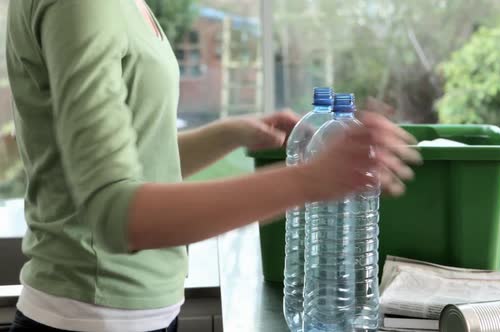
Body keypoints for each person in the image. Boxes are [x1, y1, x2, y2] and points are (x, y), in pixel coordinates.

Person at [5, 0, 421, 331]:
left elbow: (140, 163)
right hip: (91, 316)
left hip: (136, 311)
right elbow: (118, 215)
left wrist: (230, 133)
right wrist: (310, 180)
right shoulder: (80, 6)